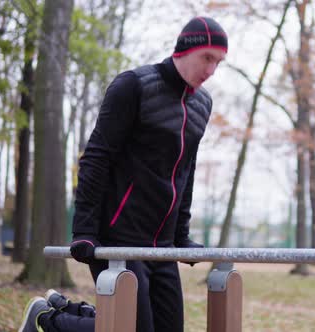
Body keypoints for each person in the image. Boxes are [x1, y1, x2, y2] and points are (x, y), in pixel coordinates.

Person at [19, 16, 228, 332]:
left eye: (219, 63)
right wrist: (84, 229)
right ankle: (46, 321)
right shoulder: (134, 86)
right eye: (207, 58)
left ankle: (70, 310)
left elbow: (186, 171)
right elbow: (96, 157)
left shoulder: (202, 105)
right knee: (130, 329)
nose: (211, 71)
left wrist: (181, 236)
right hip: (118, 237)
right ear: (185, 49)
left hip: (162, 246)